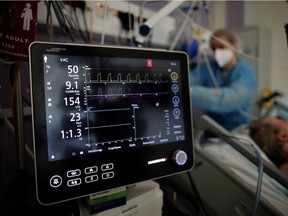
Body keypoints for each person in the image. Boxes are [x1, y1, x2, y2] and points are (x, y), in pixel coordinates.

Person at [190, 28, 257, 132]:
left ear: (235, 46)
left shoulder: (246, 73)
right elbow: (188, 79)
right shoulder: (208, 67)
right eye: (214, 48)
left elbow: (230, 99)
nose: (217, 52)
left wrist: (190, 92)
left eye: (221, 46)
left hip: (236, 130)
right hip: (212, 127)